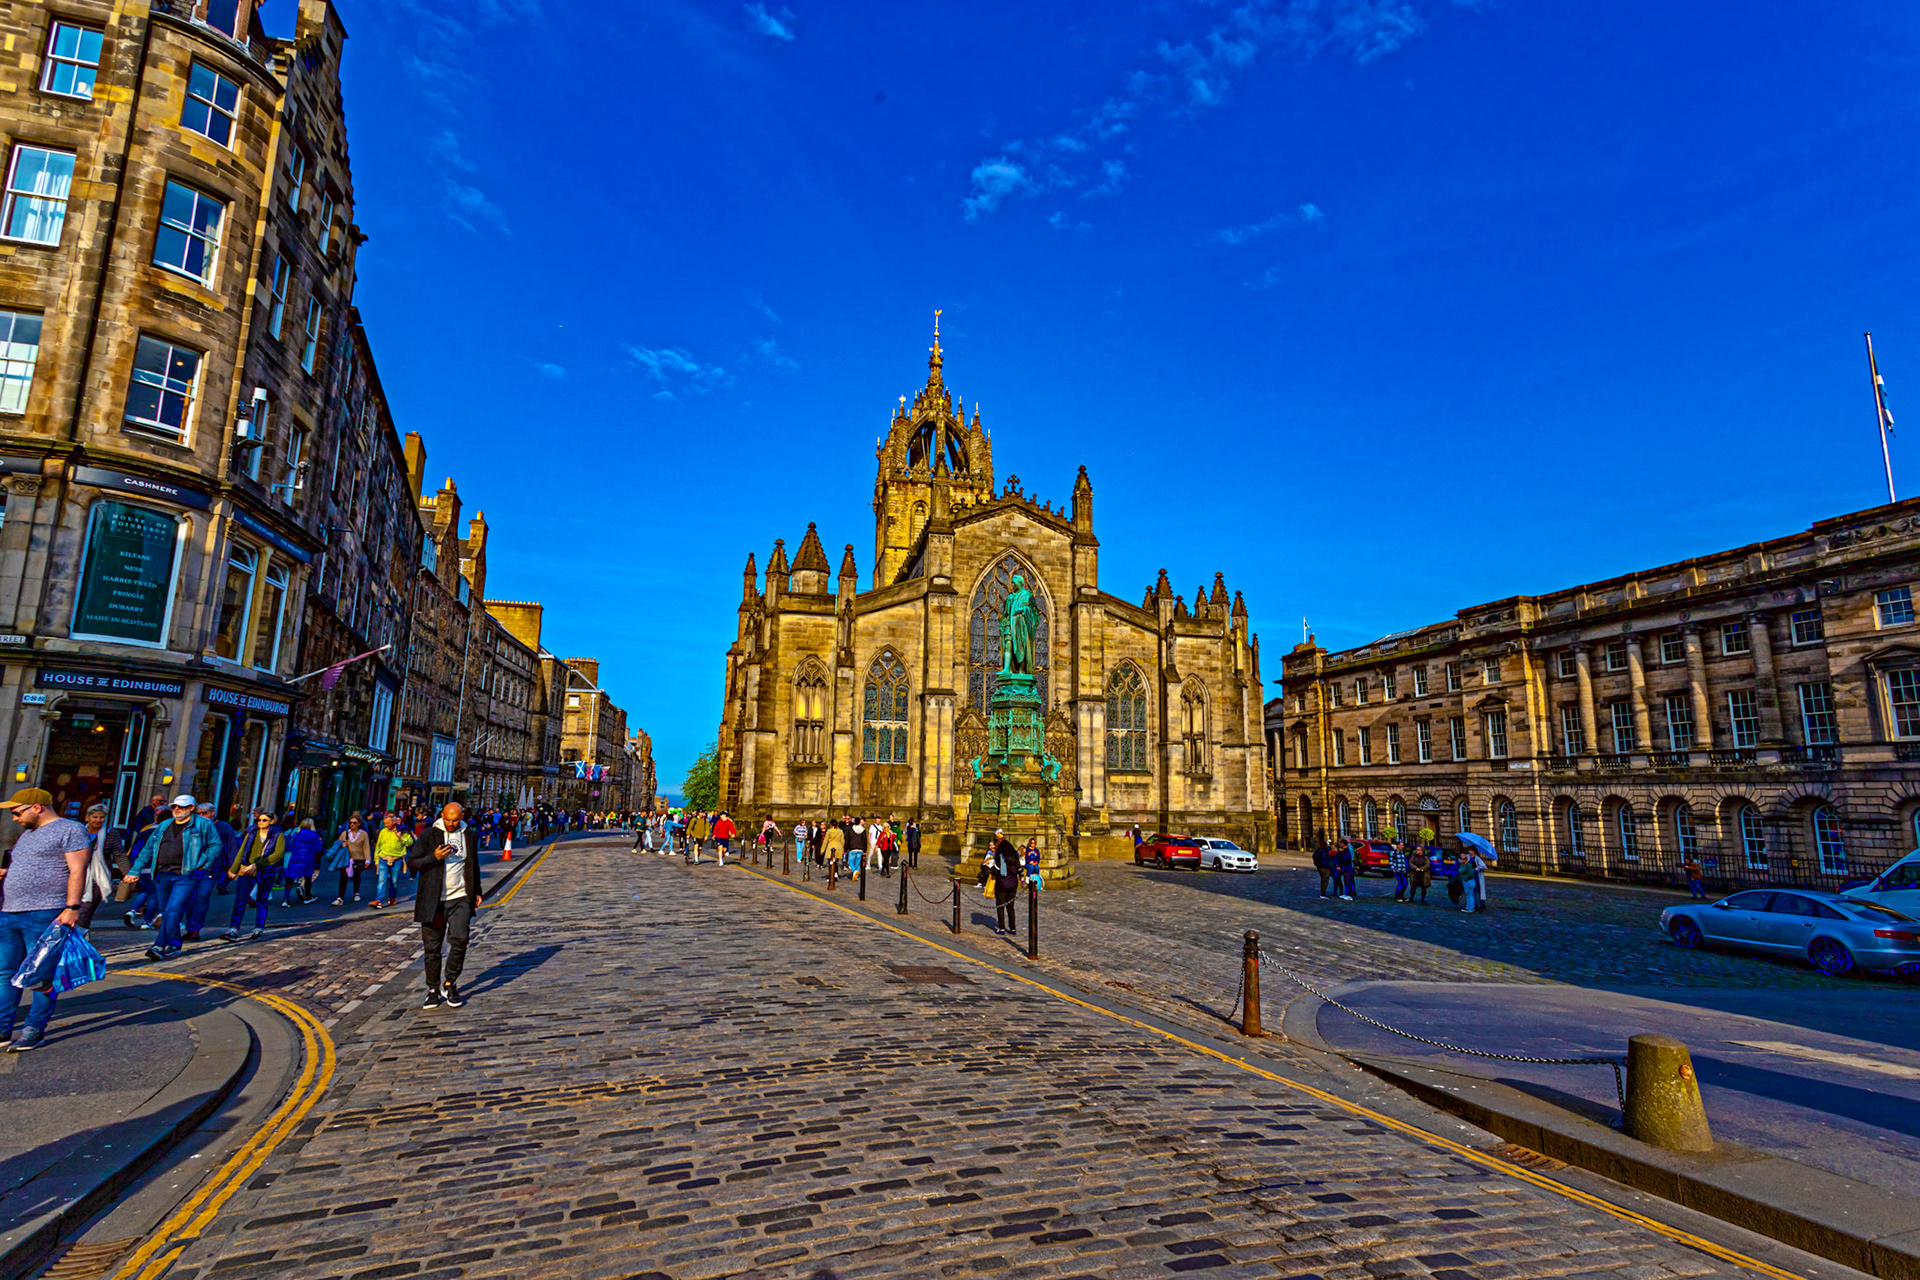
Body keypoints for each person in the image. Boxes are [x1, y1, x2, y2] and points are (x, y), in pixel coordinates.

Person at [0, 788, 91, 1051]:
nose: (15, 818)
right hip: (10, 912)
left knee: (42, 976)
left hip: (45, 912)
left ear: (37, 807)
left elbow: (77, 870)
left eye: (17, 812)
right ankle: (3, 1028)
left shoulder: (71, 830)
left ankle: (33, 1029)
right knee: (6, 973)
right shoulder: (27, 835)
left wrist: (72, 907)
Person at [126, 795, 223, 960]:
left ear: (192, 808)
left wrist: (202, 864)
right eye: (174, 807)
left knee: (173, 909)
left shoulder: (203, 824)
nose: (177, 810)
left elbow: (216, 845)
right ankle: (175, 943)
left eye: (182, 807)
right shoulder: (164, 825)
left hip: (185, 875)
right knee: (167, 911)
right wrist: (134, 870)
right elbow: (148, 849)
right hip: (162, 874)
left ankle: (159, 945)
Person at [409, 801, 483, 1008]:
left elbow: (473, 865)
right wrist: (434, 857)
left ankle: (450, 983)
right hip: (432, 900)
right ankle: (433, 989)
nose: (450, 823)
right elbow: (412, 863)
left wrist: (477, 891)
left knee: (460, 940)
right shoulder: (428, 835)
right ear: (442, 815)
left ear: (461, 817)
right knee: (432, 948)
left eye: (455, 820)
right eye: (447, 819)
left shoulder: (470, 835)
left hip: (460, 897)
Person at [225, 811, 287, 941]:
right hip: (247, 868)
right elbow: (242, 850)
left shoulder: (277, 834)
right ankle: (233, 929)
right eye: (259, 820)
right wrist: (234, 869)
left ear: (271, 821)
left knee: (262, 899)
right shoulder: (251, 833)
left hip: (266, 870)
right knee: (240, 899)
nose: (260, 822)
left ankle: (258, 927)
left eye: (264, 820)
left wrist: (258, 864)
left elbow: (278, 853)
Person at [77, 804, 127, 931]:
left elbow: (119, 854)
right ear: (87, 818)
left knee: (87, 908)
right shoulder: (78, 831)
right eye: (94, 817)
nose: (98, 820)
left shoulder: (111, 834)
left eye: (101, 817)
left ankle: (81, 935)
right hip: (77, 874)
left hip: (98, 877)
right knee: (74, 907)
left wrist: (128, 872)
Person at [328, 814, 371, 905]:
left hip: (359, 858)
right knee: (343, 877)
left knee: (356, 876)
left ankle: (356, 893)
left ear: (359, 823)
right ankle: (340, 897)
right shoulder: (345, 834)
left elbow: (366, 847)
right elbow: (338, 844)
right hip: (346, 859)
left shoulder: (363, 834)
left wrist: (367, 860)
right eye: (350, 823)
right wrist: (342, 844)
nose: (352, 825)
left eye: (354, 823)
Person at [985, 830, 1021, 935]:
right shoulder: (1015, 858)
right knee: (1010, 906)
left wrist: (988, 869)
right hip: (1013, 884)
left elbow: (996, 871)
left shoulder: (1000, 859)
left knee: (1000, 906)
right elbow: (1019, 870)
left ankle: (1001, 928)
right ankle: (1013, 928)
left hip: (1002, 884)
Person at [374, 812, 412, 907]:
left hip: (397, 859)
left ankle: (392, 897)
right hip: (383, 858)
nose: (386, 825)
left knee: (394, 880)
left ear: (394, 822)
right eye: (384, 823)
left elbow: (410, 842)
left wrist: (401, 838)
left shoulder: (403, 830)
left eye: (388, 823)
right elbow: (378, 846)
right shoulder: (383, 832)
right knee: (381, 880)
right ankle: (379, 900)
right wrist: (376, 860)